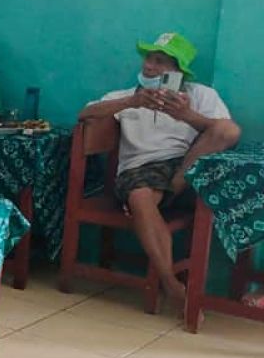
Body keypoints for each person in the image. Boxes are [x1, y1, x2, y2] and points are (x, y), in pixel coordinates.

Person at [78, 32, 239, 302]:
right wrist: (133, 101)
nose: (149, 66)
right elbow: (84, 115)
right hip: (139, 171)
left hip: (184, 167)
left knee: (226, 130)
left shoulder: (199, 94)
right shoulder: (125, 96)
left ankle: (176, 184)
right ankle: (169, 282)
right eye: (148, 59)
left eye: (159, 61)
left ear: (178, 72)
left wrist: (187, 116)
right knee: (141, 196)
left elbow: (228, 134)